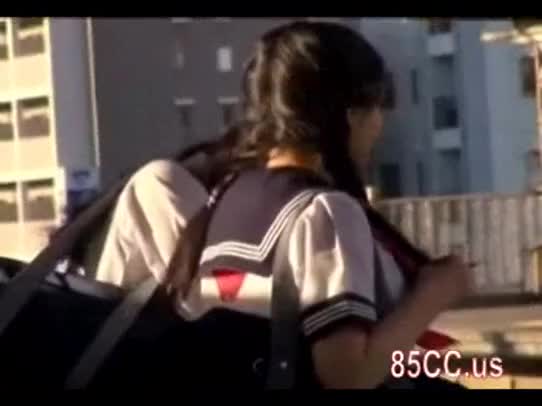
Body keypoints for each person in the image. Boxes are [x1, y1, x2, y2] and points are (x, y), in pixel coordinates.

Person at [93, 21, 472, 388]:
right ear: (350, 114)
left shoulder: (227, 197)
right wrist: (434, 293)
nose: (379, 125)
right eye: (377, 106)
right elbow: (347, 374)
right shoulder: (325, 212)